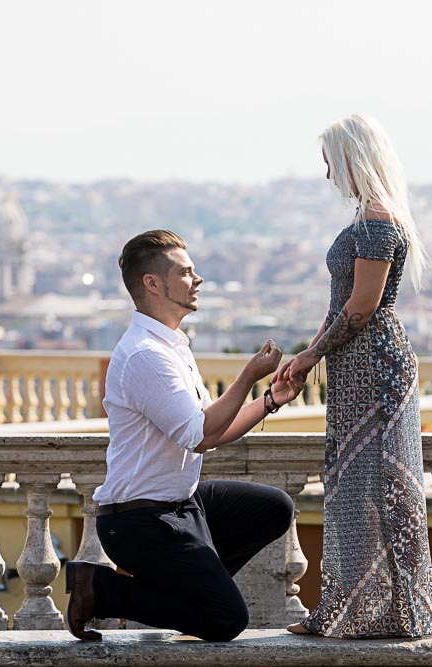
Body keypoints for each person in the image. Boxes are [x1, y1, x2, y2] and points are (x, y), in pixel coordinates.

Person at [64, 229, 305, 642]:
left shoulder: (172, 346)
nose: (199, 280)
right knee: (226, 621)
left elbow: (213, 429)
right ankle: (98, 589)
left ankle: (183, 597)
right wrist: (248, 375)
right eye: (186, 272)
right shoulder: (145, 356)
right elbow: (199, 435)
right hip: (139, 521)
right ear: (153, 283)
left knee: (275, 508)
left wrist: (269, 400)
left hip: (182, 505)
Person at [276, 114, 432, 639]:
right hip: (356, 365)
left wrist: (311, 356)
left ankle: (388, 611)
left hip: (375, 365)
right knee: (355, 484)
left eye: (330, 164)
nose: (328, 177)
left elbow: (363, 308)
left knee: (375, 485)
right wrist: (308, 356)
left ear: (351, 158)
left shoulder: (377, 224)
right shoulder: (369, 221)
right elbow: (342, 306)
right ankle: (362, 611)